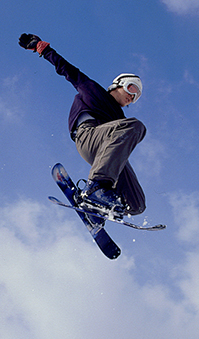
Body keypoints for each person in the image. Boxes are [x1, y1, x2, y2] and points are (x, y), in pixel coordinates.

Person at [19, 33, 147, 218]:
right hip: (88, 136)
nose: (132, 97)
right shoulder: (93, 90)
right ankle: (96, 187)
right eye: (132, 89)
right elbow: (68, 70)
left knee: (137, 204)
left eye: (136, 97)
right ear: (119, 84)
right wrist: (42, 48)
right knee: (136, 126)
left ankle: (99, 208)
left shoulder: (120, 117)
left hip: (107, 152)